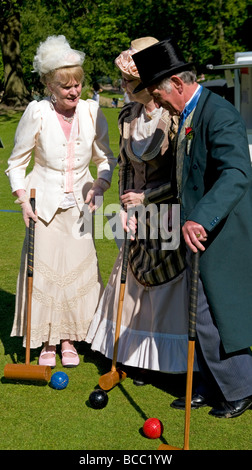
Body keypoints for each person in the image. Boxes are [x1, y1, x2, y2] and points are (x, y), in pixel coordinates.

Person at [132, 37, 252, 416]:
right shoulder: (188, 113)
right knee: (197, 312)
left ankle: (240, 387)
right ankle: (207, 383)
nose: (159, 100)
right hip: (192, 230)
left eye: (159, 93)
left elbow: (236, 172)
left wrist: (200, 217)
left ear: (178, 85)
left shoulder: (220, 114)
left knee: (214, 312)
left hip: (219, 230)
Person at [86, 37, 198, 384]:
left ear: (148, 86)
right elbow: (124, 167)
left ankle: (167, 362)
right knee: (134, 286)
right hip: (136, 215)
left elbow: (182, 176)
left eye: (127, 81)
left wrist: (147, 200)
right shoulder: (127, 115)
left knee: (164, 287)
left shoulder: (175, 117)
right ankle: (134, 358)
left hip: (167, 211)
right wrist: (124, 205)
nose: (122, 86)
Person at [5, 35, 116, 368]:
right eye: (65, 86)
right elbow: (15, 162)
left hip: (81, 209)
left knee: (79, 274)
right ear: (48, 85)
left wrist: (100, 186)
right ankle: (48, 343)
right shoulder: (36, 113)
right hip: (44, 209)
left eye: (78, 84)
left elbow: (105, 158)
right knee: (47, 275)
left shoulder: (93, 111)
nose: (74, 91)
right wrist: (23, 200)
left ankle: (70, 338)